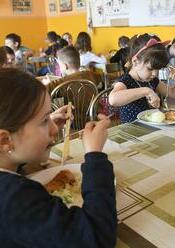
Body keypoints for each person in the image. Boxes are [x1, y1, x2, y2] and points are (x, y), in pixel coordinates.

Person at [0, 68, 117, 247]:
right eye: (44, 120)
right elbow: (97, 237)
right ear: (5, 140)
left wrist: (45, 125)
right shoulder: (15, 199)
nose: (55, 129)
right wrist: (95, 155)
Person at [108, 33, 175, 123]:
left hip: (151, 130)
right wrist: (146, 91)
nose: (155, 74)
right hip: (132, 131)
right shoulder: (126, 81)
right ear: (136, 62)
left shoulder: (151, 80)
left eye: (158, 70)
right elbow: (113, 100)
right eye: (150, 69)